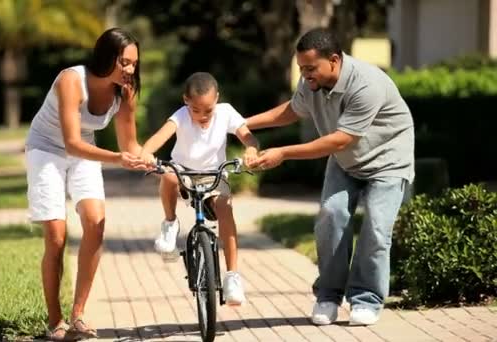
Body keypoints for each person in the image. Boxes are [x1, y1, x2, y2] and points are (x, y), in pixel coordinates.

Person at [246, 28, 414, 326]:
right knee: (331, 215)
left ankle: (366, 298)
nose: (304, 74)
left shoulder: (366, 84)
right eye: (301, 68)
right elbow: (293, 110)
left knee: (376, 226)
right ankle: (328, 296)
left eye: (310, 68)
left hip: (387, 161)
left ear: (334, 61)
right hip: (347, 161)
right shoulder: (312, 81)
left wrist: (283, 152)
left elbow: (340, 140)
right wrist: (244, 124)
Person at [24, 28, 146, 340]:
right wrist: (118, 159)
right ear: (106, 57)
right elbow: (72, 143)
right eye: (124, 62)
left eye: (134, 63)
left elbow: (130, 146)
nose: (130, 70)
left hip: (83, 151)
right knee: (56, 236)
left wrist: (155, 163)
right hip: (46, 150)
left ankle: (78, 315)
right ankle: (55, 321)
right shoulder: (71, 80)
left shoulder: (125, 91)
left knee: (95, 222)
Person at [139, 72, 260, 305]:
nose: (202, 116)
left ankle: (233, 277)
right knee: (168, 174)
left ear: (217, 100)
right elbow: (159, 137)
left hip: (213, 174)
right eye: (196, 110)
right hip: (183, 172)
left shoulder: (226, 112)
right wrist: (146, 153)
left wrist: (251, 150)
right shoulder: (181, 116)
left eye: (208, 110)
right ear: (186, 100)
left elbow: (249, 137)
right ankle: (170, 224)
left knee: (225, 208)